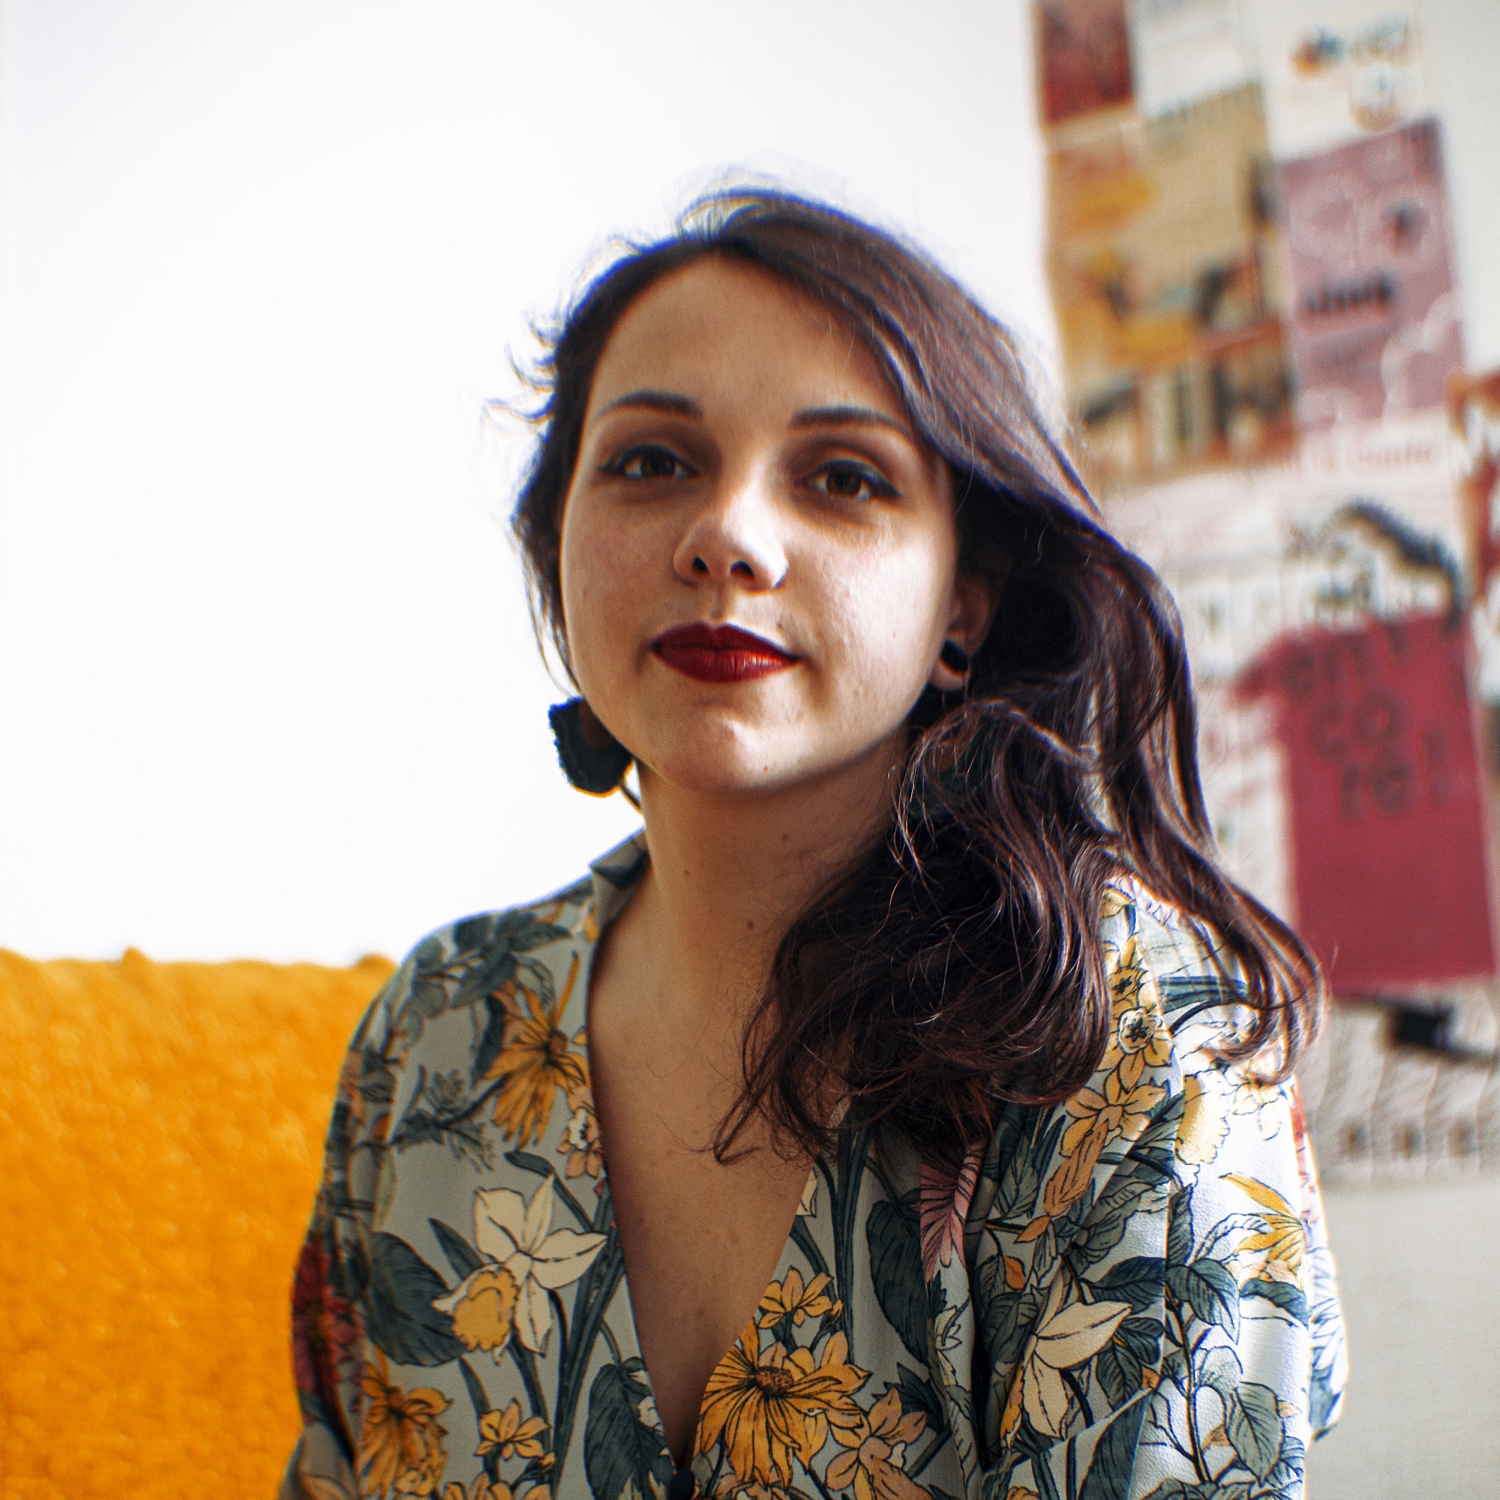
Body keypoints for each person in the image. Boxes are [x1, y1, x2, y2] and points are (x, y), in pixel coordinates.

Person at [281, 191, 1345, 1500]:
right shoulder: (435, 1035)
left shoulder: (1131, 1037)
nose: (726, 536)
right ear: (559, 546)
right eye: (652, 461)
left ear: (963, 608)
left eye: (843, 478)